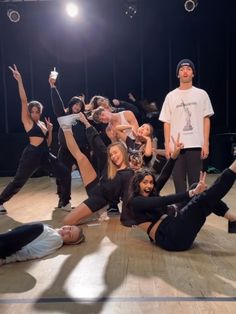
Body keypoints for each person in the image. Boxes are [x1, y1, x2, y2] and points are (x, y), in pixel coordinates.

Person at [0, 65, 71, 215]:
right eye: (32, 111)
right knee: (18, 182)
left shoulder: (42, 123)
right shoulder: (27, 121)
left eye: (37, 111)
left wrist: (50, 130)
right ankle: (0, 201)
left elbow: (49, 142)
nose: (34, 114)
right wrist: (19, 80)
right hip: (31, 155)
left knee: (64, 172)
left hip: (45, 154)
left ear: (40, 112)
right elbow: (23, 100)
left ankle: (64, 201)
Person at [125, 157, 236, 251]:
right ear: (137, 184)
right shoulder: (136, 201)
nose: (149, 186)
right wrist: (192, 193)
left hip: (174, 228)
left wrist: (173, 157)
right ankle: (234, 168)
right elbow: (163, 200)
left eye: (151, 182)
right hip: (173, 237)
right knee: (203, 197)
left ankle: (233, 219)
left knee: (196, 188)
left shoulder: (149, 193)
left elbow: (164, 176)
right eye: (144, 182)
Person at [56, 112, 134, 225]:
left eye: (115, 153)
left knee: (68, 221)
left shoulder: (129, 173)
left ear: (123, 151)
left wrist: (127, 218)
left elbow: (127, 196)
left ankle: (100, 209)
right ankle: (66, 126)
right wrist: (87, 123)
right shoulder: (112, 164)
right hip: (96, 186)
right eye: (111, 154)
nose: (113, 157)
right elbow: (98, 143)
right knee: (80, 157)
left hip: (99, 198)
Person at [159, 59, 214, 193]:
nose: (185, 71)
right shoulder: (171, 96)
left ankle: (195, 213)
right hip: (177, 147)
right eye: (182, 69)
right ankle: (181, 213)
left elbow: (206, 118)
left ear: (193, 74)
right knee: (179, 185)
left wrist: (206, 143)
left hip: (195, 144)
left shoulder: (201, 94)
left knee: (195, 185)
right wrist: (167, 145)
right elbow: (167, 122)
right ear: (178, 74)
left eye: (188, 69)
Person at [49, 74, 90, 211]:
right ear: (71, 104)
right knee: (63, 174)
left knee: (88, 174)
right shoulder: (63, 114)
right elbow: (57, 104)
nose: (77, 107)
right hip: (66, 150)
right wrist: (53, 87)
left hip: (82, 150)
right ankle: (64, 200)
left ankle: (95, 199)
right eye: (75, 104)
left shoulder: (83, 117)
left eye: (80, 105)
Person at [0, 223, 84, 266]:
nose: (66, 231)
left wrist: (5, 259)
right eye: (69, 228)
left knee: (39, 226)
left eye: (69, 235)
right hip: (5, 242)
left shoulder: (57, 239)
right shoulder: (50, 229)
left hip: (5, 249)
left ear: (68, 242)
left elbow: (32, 253)